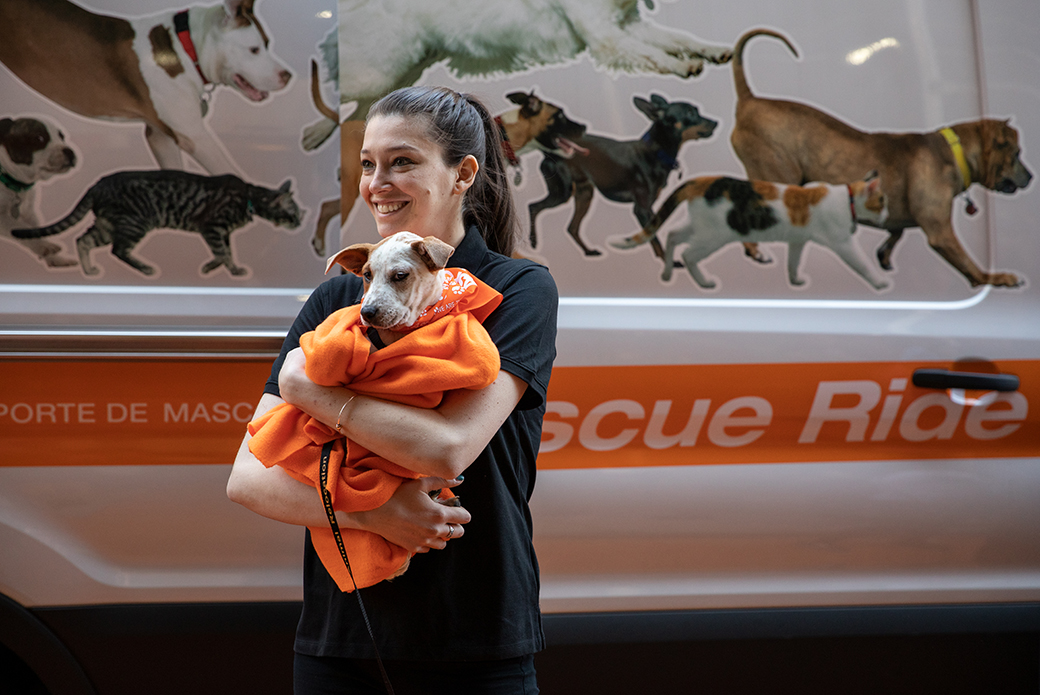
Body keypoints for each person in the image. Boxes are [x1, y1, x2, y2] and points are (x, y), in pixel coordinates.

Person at [227, 85, 558, 695]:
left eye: (402, 161)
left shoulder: (518, 290)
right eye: (368, 164)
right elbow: (247, 478)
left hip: (477, 639)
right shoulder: (338, 296)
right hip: (343, 639)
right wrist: (381, 512)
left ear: (463, 173)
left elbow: (447, 450)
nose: (377, 182)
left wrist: (312, 390)